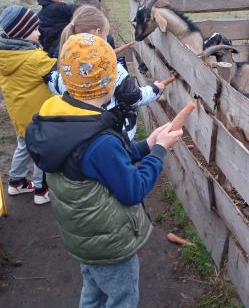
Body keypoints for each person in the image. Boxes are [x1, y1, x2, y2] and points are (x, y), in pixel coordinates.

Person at [25, 33, 182, 307]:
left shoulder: (59, 117)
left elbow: (102, 163)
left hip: (85, 238)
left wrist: (147, 144)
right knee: (122, 297)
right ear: (110, 82)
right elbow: (133, 189)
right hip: (109, 244)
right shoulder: (100, 140)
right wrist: (160, 152)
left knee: (94, 291)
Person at [46, 5, 164, 140]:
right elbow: (133, 96)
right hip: (114, 133)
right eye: (107, 34)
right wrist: (155, 89)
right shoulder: (111, 67)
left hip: (79, 133)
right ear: (98, 32)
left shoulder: (65, 64)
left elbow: (52, 81)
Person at [0, 5, 56, 204]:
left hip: (19, 114)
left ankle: (16, 182)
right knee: (42, 150)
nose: (39, 32)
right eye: (34, 30)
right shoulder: (34, 58)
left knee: (23, 145)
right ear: (21, 34)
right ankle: (41, 191)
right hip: (38, 116)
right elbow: (58, 70)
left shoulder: (5, 56)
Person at [34, 0, 109, 58]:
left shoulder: (40, 15)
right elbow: (84, 9)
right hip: (65, 51)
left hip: (51, 54)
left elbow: (42, 39)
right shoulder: (57, 8)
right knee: (108, 39)